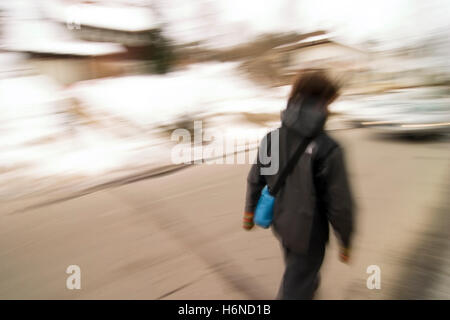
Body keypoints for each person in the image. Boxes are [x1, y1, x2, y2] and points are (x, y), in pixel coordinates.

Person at [243, 70, 355, 300]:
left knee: (301, 274)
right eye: (329, 102)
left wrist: (249, 212)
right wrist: (345, 240)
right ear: (323, 101)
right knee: (298, 284)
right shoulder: (328, 148)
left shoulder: (272, 138)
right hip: (310, 233)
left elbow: (256, 178)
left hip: (282, 223)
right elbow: (340, 203)